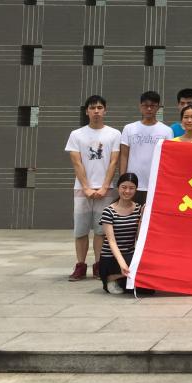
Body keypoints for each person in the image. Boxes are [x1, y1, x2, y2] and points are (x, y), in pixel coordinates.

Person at [64, 94, 121, 281]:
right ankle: (80, 265)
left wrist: (105, 187)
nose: (96, 111)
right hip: (82, 190)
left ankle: (98, 265)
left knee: (101, 230)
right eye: (92, 108)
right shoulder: (76, 134)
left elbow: (113, 162)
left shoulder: (114, 134)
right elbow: (77, 163)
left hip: (106, 190)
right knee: (80, 230)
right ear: (87, 111)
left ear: (105, 110)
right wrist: (86, 187)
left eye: (99, 108)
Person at [119, 91, 174, 205]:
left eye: (152, 106)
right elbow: (124, 156)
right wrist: (122, 180)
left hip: (155, 184)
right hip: (132, 184)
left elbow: (168, 159)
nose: (149, 109)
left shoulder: (167, 131)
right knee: (131, 214)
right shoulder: (129, 128)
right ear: (140, 107)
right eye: (145, 105)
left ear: (158, 107)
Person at [98, 172, 141, 294]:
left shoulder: (139, 209)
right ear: (118, 188)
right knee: (136, 285)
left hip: (129, 255)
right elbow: (111, 241)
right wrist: (122, 263)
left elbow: (139, 237)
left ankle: (120, 278)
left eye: (131, 188)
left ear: (136, 190)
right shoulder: (108, 211)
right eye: (124, 187)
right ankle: (111, 277)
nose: (127, 191)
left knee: (148, 290)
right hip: (111, 258)